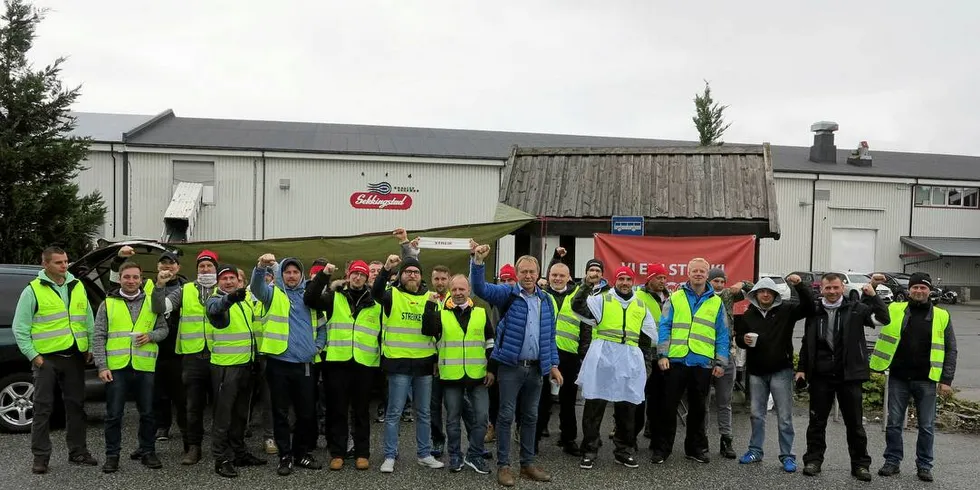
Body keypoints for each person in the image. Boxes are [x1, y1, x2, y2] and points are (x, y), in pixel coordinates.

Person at [470, 243, 561, 487]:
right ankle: (504, 466)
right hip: (511, 366)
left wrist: (553, 364)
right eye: (524, 272)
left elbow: (549, 336)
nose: (528, 276)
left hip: (536, 369)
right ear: (518, 274)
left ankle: (527, 464)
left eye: (532, 272)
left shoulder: (546, 300)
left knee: (530, 416)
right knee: (506, 416)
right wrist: (477, 262)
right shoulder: (506, 293)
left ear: (539, 273)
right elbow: (478, 288)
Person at [13, 246, 99, 474]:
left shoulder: (77, 285)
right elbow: (20, 328)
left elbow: (88, 319)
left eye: (66, 261)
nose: (64, 266)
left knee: (76, 406)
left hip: (74, 356)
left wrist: (90, 346)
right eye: (59, 262)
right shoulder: (32, 290)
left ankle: (78, 452)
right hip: (46, 359)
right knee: (42, 409)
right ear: (46, 264)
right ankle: (40, 457)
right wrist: (35, 356)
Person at [797, 272, 889, 481]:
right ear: (822, 289)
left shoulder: (856, 309)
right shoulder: (815, 311)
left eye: (836, 288)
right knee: (817, 422)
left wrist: (873, 295)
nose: (832, 292)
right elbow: (806, 342)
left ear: (843, 288)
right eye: (828, 288)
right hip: (821, 375)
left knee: (855, 423)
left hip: (850, 375)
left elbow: (884, 319)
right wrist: (802, 368)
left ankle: (860, 465)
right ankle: (813, 460)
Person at [871, 272, 957, 483]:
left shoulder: (942, 315)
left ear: (930, 291)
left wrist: (946, 380)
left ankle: (925, 466)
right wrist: (872, 285)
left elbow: (951, 349)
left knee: (926, 427)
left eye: (923, 287)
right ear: (909, 290)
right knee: (894, 424)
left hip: (926, 380)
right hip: (899, 377)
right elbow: (869, 306)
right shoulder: (894, 309)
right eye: (915, 287)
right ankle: (892, 461)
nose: (919, 291)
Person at [572, 266, 656, 470]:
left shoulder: (640, 305)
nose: (625, 282)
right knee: (594, 405)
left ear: (633, 281)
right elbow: (578, 306)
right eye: (621, 279)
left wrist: (645, 362)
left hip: (629, 359)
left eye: (629, 279)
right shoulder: (602, 299)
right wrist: (586, 284)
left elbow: (648, 337)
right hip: (603, 357)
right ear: (615, 281)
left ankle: (623, 451)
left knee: (627, 408)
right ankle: (589, 450)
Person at [250, 254, 326, 476]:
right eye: (287, 272)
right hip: (279, 364)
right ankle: (285, 456)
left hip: (304, 364)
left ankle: (301, 453)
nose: (291, 276)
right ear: (280, 275)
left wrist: (317, 347)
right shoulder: (272, 294)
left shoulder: (310, 297)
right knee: (280, 413)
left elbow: (322, 327)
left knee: (306, 414)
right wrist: (260, 267)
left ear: (301, 275)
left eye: (295, 272)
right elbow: (256, 288)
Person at [304, 260, 381, 471]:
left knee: (361, 411)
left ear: (367, 278)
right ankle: (337, 452)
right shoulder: (333, 296)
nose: (358, 278)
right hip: (337, 362)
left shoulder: (375, 301)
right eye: (355, 274)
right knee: (337, 410)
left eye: (362, 275)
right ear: (349, 275)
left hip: (365, 363)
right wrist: (324, 275)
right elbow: (310, 298)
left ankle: (362, 453)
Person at [92, 261, 169, 473]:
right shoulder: (107, 304)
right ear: (120, 279)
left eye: (135, 277)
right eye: (127, 277)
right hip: (116, 367)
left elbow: (164, 329)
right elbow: (98, 336)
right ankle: (112, 455)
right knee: (114, 414)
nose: (131, 281)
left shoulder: (153, 302)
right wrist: (102, 365)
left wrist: (151, 336)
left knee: (147, 413)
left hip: (144, 366)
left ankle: (147, 451)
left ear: (141, 279)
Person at [372, 252, 445, 473]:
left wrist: (431, 308)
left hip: (423, 364)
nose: (412, 275)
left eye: (415, 272)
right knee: (394, 412)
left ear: (421, 276)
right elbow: (375, 292)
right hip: (398, 363)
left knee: (424, 412)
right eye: (407, 272)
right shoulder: (391, 294)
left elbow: (434, 332)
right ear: (401, 276)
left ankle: (424, 454)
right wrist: (385, 269)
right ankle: (390, 455)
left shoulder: (431, 297)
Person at [652, 258, 729, 465]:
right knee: (667, 407)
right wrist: (663, 355)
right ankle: (661, 449)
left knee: (698, 409)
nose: (698, 274)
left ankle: (695, 449)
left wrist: (721, 362)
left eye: (702, 271)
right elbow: (664, 326)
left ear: (707, 275)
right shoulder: (675, 297)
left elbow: (722, 334)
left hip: (702, 363)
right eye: (694, 271)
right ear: (688, 273)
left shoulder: (716, 302)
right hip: (675, 361)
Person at [733, 275, 813, 472]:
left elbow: (809, 307)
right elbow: (740, 339)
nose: (765, 294)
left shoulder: (786, 310)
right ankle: (755, 450)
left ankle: (788, 455)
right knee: (756, 414)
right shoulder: (749, 314)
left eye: (769, 292)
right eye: (762, 291)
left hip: (781, 370)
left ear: (776, 295)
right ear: (755, 294)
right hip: (757, 372)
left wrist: (800, 286)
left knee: (784, 416)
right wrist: (744, 340)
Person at [152, 249, 221, 465]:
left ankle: (224, 446)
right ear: (196, 269)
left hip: (221, 355)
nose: (205, 269)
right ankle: (194, 448)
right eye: (202, 266)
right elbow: (159, 307)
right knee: (192, 406)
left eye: (209, 266)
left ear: (216, 269)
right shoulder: (185, 290)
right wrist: (160, 286)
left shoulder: (226, 287)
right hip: (192, 356)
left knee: (222, 405)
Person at [423, 274, 495, 474]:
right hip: (451, 375)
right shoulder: (441, 313)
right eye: (454, 289)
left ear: (469, 290)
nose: (458, 293)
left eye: (462, 289)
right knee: (452, 419)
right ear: (450, 291)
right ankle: (455, 455)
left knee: (481, 418)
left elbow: (490, 341)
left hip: (478, 375)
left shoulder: (481, 313)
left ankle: (474, 454)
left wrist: (491, 369)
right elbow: (427, 330)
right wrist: (429, 306)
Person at [206, 264, 265, 478]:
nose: (229, 282)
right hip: (225, 367)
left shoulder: (244, 302)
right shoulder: (215, 300)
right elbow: (216, 310)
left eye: (232, 278)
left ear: (239, 281)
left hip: (245, 366)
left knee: (241, 415)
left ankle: (239, 453)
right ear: (218, 282)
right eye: (224, 279)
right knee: (223, 416)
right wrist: (230, 299)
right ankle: (221, 458)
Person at [537, 248, 584, 456]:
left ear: (569, 277)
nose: (557, 278)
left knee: (568, 400)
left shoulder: (578, 296)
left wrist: (584, 352)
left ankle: (568, 439)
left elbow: (586, 326)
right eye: (554, 275)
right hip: (543, 352)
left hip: (569, 354)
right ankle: (534, 438)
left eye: (561, 275)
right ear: (548, 277)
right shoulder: (540, 295)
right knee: (540, 398)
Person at [705, 267, 753, 459]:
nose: (719, 285)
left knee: (725, 402)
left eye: (722, 282)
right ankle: (703, 439)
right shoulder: (702, 297)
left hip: (726, 354)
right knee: (703, 402)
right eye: (715, 281)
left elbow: (754, 290)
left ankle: (726, 440)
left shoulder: (728, 295)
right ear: (709, 282)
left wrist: (741, 283)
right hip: (704, 354)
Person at [633, 264, 669, 445]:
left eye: (664, 278)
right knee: (638, 394)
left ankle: (654, 434)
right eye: (659, 277)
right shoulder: (638, 296)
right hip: (643, 350)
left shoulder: (669, 297)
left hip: (662, 353)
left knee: (659, 396)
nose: (663, 281)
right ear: (649, 279)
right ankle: (631, 436)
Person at [485, 263, 518, 446]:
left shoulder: (523, 298)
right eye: (503, 280)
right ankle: (493, 427)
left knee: (520, 395)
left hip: (518, 353)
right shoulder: (495, 298)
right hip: (497, 350)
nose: (506, 283)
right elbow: (479, 287)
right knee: (494, 393)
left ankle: (519, 428)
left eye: (510, 280)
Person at [428, 264, 452, 458]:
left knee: (460, 407)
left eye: (443, 279)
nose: (440, 283)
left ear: (449, 279)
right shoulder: (427, 300)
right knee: (433, 406)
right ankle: (437, 440)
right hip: (433, 364)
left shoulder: (460, 299)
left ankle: (469, 445)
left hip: (455, 362)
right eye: (436, 279)